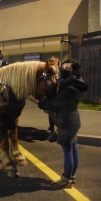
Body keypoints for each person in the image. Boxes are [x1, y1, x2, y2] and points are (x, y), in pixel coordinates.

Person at [38, 59, 88, 188]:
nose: (64, 70)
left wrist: (42, 104)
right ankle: (71, 176)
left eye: (68, 69)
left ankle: (66, 179)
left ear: (74, 70)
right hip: (72, 120)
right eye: (63, 68)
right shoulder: (73, 81)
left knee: (68, 152)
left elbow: (57, 103)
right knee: (73, 149)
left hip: (67, 122)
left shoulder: (71, 87)